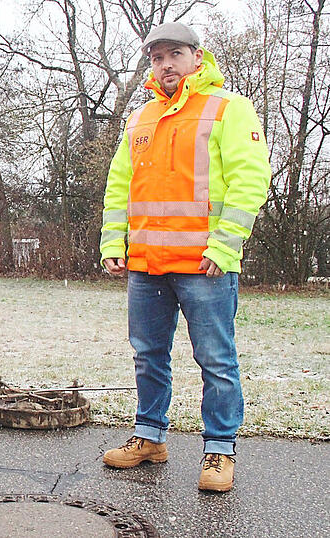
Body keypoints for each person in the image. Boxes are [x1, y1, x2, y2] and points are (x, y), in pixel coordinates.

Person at [99, 22, 270, 492]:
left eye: (174, 54)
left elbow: (250, 179)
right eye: (156, 57)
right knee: (148, 356)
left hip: (205, 265)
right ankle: (150, 437)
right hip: (147, 265)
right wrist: (114, 243)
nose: (165, 64)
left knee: (216, 360)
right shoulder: (141, 118)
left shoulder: (228, 108)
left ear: (197, 57)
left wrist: (226, 243)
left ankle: (219, 451)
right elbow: (120, 186)